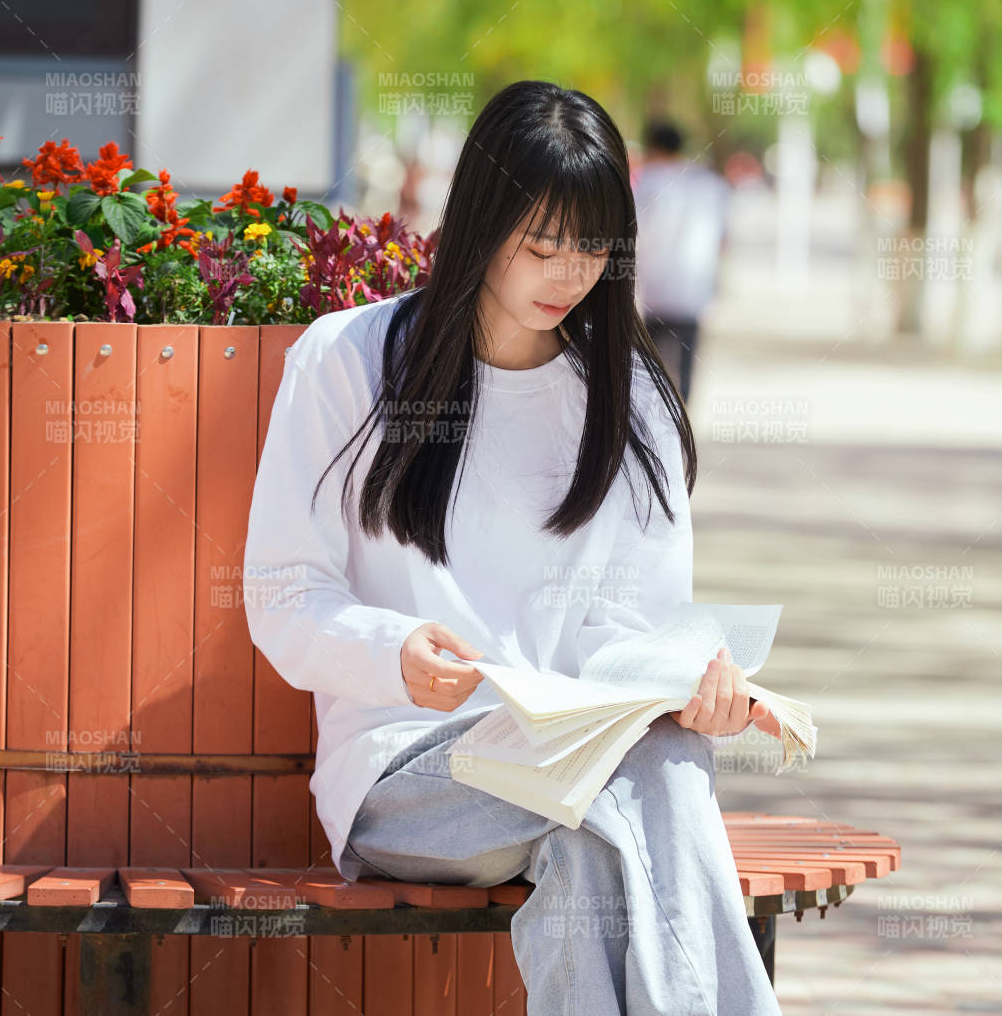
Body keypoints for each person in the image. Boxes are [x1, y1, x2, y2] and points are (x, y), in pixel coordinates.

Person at [242, 80, 784, 1015]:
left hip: (581, 763)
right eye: (541, 244)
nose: (568, 272)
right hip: (409, 767)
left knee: (600, 824)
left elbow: (642, 629)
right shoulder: (350, 361)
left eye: (592, 247)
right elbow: (282, 590)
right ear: (481, 221)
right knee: (635, 787)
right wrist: (390, 652)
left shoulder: (629, 404)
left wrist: (698, 687)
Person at [632, 118, 732, 404]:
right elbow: (723, 241)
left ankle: (656, 426)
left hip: (655, 291)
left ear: (654, 147)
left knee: (650, 372)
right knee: (685, 368)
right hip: (693, 291)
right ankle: (682, 423)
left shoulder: (648, 182)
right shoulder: (710, 184)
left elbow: (633, 235)